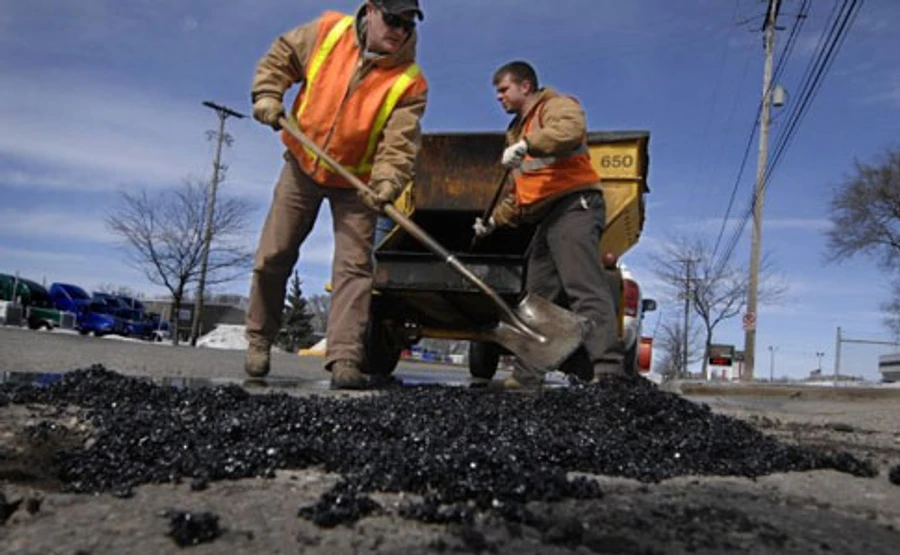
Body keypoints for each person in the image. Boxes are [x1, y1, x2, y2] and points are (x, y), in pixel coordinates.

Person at [245, 0, 428, 389]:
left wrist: (387, 184)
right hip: (302, 165)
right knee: (273, 254)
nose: (400, 31)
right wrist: (268, 92)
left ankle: (345, 357)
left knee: (354, 269)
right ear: (371, 10)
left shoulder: (409, 81)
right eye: (393, 20)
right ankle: (259, 339)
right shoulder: (327, 31)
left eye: (408, 24)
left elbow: (399, 145)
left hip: (356, 186)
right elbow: (283, 56)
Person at [473, 61, 623, 388]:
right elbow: (521, 192)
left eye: (503, 90)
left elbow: (569, 131)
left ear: (525, 86)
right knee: (538, 297)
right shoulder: (516, 131)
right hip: (549, 214)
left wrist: (528, 145)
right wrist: (492, 222)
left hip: (575, 206)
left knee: (584, 287)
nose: (499, 97)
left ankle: (609, 372)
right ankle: (527, 377)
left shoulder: (555, 106)